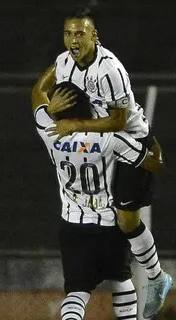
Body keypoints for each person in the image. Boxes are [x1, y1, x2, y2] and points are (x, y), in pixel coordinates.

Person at [30, 7, 172, 318]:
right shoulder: (63, 62)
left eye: (80, 33)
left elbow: (119, 121)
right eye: (68, 33)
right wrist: (55, 109)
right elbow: (39, 90)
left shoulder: (110, 70)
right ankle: (144, 281)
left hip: (129, 140)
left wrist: (72, 125)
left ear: (95, 35)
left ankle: (157, 276)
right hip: (99, 145)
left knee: (125, 220)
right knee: (118, 247)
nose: (73, 39)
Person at [35, 81, 164, 320]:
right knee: (121, 279)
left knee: (76, 293)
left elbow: (36, 95)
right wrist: (149, 138)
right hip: (109, 224)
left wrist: (52, 102)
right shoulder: (110, 138)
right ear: (89, 109)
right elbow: (152, 162)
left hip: (73, 226)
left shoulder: (49, 132)